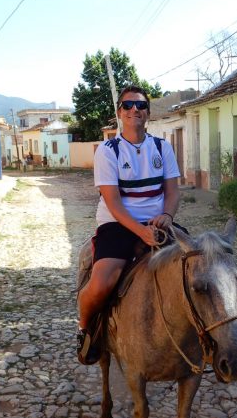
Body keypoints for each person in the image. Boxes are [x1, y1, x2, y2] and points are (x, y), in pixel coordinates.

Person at [77, 86, 181, 365]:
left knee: (194, 269)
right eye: (128, 105)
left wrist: (168, 217)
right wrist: (141, 231)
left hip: (158, 223)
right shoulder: (108, 151)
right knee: (102, 283)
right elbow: (113, 203)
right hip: (118, 222)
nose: (135, 109)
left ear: (148, 112)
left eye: (141, 105)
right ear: (119, 112)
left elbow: (172, 192)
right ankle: (86, 329)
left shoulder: (162, 147)